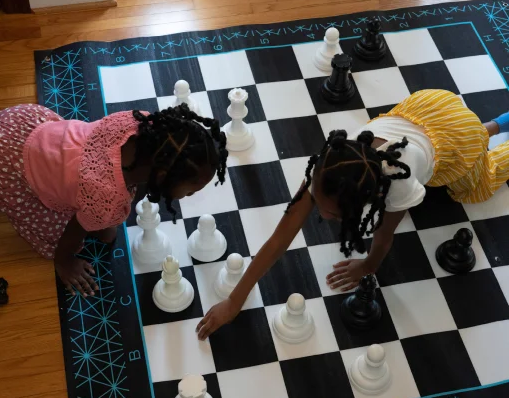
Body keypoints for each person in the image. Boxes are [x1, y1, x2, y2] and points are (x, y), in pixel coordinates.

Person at [196, 89, 509, 340]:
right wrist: (235, 300)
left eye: (329, 211)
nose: (317, 210)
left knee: (472, 190)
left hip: (453, 136)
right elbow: (282, 236)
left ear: (364, 201)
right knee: (449, 140)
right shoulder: (332, 165)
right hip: (428, 111)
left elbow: (384, 236)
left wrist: (368, 265)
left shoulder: (397, 185)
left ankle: (492, 129)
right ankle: (491, 125)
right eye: (316, 200)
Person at [0, 103, 227, 298]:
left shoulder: (141, 124)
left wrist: (101, 217)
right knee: (61, 229)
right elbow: (77, 227)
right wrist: (64, 259)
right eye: (190, 190)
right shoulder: (107, 196)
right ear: (161, 175)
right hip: (0, 162)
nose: (190, 196)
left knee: (102, 219)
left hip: (26, 126)